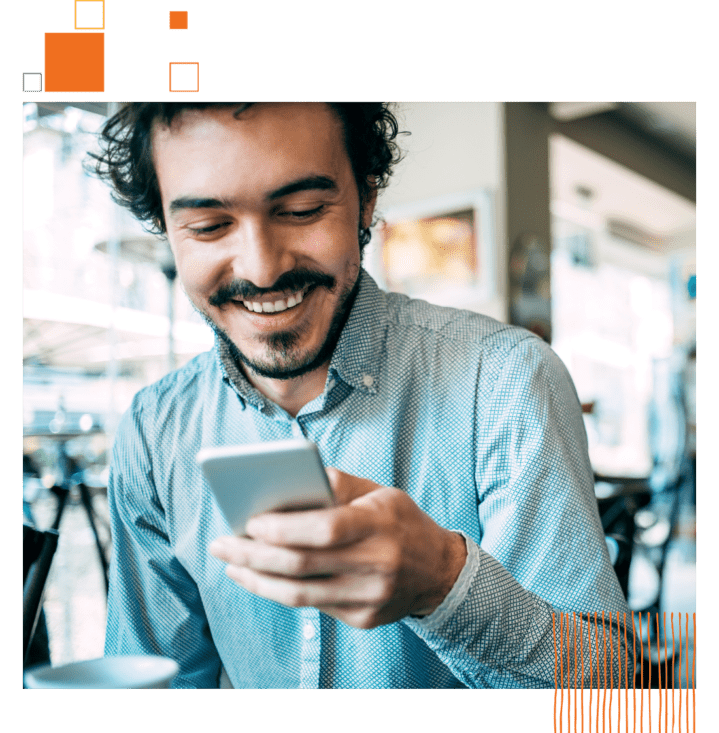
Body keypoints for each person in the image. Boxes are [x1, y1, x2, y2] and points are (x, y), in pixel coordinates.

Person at [93, 102, 631, 689]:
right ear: (167, 232)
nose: (263, 268)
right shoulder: (153, 429)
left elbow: (608, 702)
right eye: (208, 226)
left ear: (366, 199)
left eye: (301, 211)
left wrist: (445, 586)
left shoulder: (504, 380)